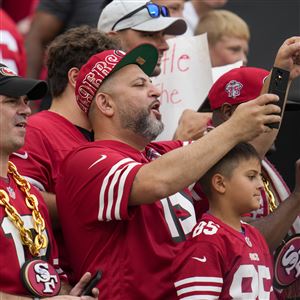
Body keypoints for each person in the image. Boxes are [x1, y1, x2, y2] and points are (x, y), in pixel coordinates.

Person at [55, 43, 282, 299]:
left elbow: (246, 150)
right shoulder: (85, 161)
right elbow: (156, 182)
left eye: (152, 82)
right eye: (140, 85)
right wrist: (232, 128)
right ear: (106, 104)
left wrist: (282, 74)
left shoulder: (161, 154)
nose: (155, 90)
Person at [10, 26, 120, 271]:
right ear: (76, 78)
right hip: (62, 280)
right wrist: (112, 201)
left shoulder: (107, 134)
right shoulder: (35, 129)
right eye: (114, 78)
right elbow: (22, 203)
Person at [0, 63, 98, 299]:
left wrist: (68, 295)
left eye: (26, 101)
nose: (26, 110)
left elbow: (50, 278)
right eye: (12, 101)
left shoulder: (30, 195)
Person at [206, 64, 300, 296]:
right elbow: (246, 242)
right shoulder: (210, 163)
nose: (277, 121)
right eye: (268, 110)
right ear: (229, 113)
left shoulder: (259, 163)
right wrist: (298, 197)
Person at [172, 142, 277, 299]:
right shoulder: (206, 240)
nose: (261, 185)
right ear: (220, 183)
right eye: (251, 176)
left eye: (260, 177)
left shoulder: (255, 235)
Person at [98, 0, 211, 141]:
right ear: (113, 39)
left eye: (163, 35)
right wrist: (180, 143)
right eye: (149, 35)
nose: (164, 46)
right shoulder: (83, 103)